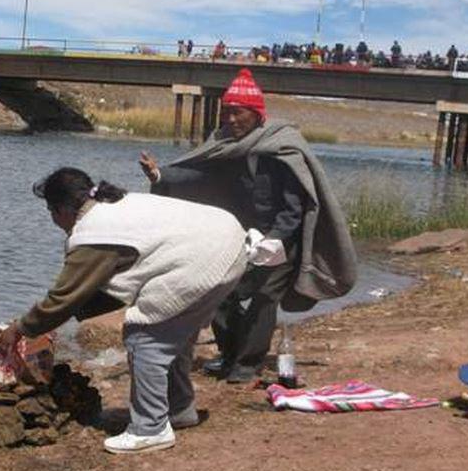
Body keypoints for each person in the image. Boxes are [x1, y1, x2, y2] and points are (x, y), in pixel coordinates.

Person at [0, 168, 247, 454]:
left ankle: (150, 428)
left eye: (51, 212)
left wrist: (22, 328)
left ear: (62, 209)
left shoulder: (93, 234)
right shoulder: (113, 204)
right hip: (229, 242)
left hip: (206, 258)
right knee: (171, 335)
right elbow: (102, 293)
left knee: (145, 337)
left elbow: (65, 297)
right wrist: (55, 318)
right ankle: (178, 409)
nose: (53, 221)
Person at [138, 68, 356, 383]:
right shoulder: (227, 145)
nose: (231, 119)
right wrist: (161, 176)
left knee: (265, 297)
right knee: (221, 294)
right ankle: (230, 354)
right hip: (242, 238)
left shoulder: (282, 148)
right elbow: (203, 178)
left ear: (255, 114)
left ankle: (249, 363)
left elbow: (295, 206)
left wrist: (275, 240)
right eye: (226, 113)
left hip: (281, 241)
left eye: (237, 113)